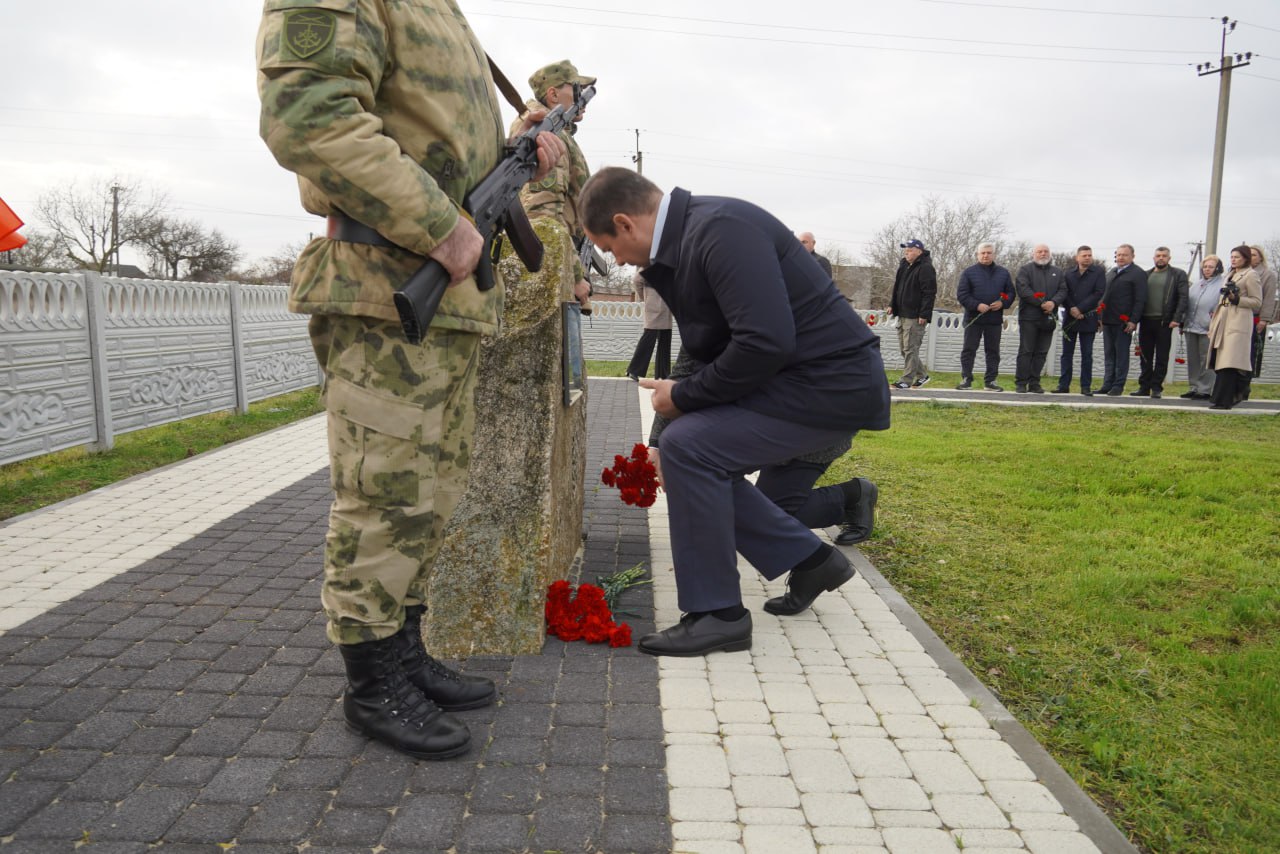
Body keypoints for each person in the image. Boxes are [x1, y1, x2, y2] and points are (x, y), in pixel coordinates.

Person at [257, 1, 565, 760]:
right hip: (383, 287)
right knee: (383, 491)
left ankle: (403, 651)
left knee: (433, 491)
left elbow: (437, 142)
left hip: (451, 301)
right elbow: (307, 117)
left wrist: (516, 145)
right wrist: (440, 225)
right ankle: (370, 684)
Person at [579, 167, 890, 657]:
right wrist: (661, 434)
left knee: (692, 447)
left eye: (610, 247)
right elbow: (704, 351)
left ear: (624, 223)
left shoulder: (721, 230)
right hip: (797, 382)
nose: (616, 260)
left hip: (828, 385)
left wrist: (680, 403)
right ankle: (810, 559)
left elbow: (764, 342)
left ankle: (718, 615)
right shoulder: (689, 240)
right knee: (685, 451)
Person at [648, 348, 878, 546]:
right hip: (760, 420)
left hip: (817, 417)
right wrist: (656, 444)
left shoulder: (779, 312)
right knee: (706, 468)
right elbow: (683, 375)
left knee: (769, 516)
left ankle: (853, 495)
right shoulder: (704, 315)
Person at [512, 60, 596, 312]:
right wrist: (576, 275)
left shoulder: (552, 130)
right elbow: (543, 214)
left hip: (554, 258)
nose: (581, 97)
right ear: (553, 94)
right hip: (554, 263)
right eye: (575, 89)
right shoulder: (548, 134)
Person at [1207, 245, 1262, 410]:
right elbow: (1223, 299)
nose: (1233, 260)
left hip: (1238, 322)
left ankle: (1228, 398)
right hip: (1223, 320)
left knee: (1230, 361)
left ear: (1245, 258)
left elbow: (1256, 302)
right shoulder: (1230, 275)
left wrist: (1237, 299)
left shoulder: (1251, 275)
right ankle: (1222, 398)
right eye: (1232, 257)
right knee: (1220, 359)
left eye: (1237, 257)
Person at [1130, 247, 1188, 399]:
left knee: (1162, 357)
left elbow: (1183, 297)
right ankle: (1144, 386)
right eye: (1158, 256)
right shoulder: (1146, 275)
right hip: (1146, 320)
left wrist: (1177, 318)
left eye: (1164, 256)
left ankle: (1156, 387)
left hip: (1165, 322)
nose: (1161, 258)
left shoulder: (1178, 274)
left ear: (1169, 258)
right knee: (1145, 356)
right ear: (1153, 258)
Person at [955, 243, 1013, 391]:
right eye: (983, 253)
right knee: (969, 350)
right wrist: (977, 305)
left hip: (994, 320)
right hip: (973, 319)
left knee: (993, 351)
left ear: (994, 254)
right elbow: (962, 294)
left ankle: (991, 381)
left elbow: (1011, 293)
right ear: (977, 255)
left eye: (988, 253)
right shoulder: (969, 272)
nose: (985, 255)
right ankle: (966, 379)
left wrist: (1002, 303)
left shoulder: (1003, 273)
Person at [1013, 244, 1066, 393]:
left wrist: (1053, 303)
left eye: (1046, 251)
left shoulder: (1058, 272)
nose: (1043, 254)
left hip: (1049, 318)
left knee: (1042, 351)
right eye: (1039, 251)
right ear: (1033, 254)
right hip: (1029, 317)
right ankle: (1021, 382)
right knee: (1026, 350)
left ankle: (1034, 382)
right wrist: (1041, 303)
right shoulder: (1025, 270)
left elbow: (1063, 290)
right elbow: (1023, 290)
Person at [1053, 245, 1105, 395]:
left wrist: (1081, 309)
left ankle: (1085, 386)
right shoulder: (1068, 274)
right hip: (1070, 319)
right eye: (1084, 255)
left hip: (1088, 318)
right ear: (1077, 257)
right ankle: (1063, 385)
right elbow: (1064, 293)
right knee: (1066, 354)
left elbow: (1098, 293)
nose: (1087, 257)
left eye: (1089, 255)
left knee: (1087, 354)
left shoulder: (1098, 273)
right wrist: (1072, 308)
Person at [1098, 244, 1147, 396]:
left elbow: (1140, 299)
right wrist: (1099, 317)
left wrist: (1133, 320)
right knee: (1109, 354)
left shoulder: (1138, 273)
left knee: (1121, 355)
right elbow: (1103, 296)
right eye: (1118, 255)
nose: (1120, 257)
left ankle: (1118, 385)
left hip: (1123, 322)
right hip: (1107, 320)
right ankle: (1107, 384)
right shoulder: (1111, 272)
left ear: (1132, 256)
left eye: (1124, 255)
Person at [888, 238, 937, 389]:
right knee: (905, 349)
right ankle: (922, 375)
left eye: (910, 250)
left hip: (915, 316)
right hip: (902, 313)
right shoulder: (904, 265)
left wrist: (924, 314)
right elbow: (897, 287)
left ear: (919, 251)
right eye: (905, 250)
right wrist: (892, 304)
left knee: (910, 349)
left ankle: (906, 380)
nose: (906, 252)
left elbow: (929, 293)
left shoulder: (925, 267)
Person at [1180, 255, 1223, 400]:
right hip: (1191, 326)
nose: (1207, 269)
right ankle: (1194, 386)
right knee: (1193, 359)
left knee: (1206, 359)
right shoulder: (1197, 284)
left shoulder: (1221, 284)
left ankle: (1205, 389)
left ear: (1217, 268)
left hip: (1208, 328)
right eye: (1205, 266)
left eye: (1211, 266)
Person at [626, 269, 673, 381]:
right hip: (653, 307)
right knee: (648, 338)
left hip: (666, 308)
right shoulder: (650, 262)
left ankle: (663, 374)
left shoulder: (671, 262)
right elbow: (637, 280)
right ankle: (634, 370)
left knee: (665, 341)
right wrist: (645, 298)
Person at [1250, 245, 1277, 377]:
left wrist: (1264, 319)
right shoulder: (1240, 272)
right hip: (1238, 318)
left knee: (1253, 352)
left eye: (1254, 255)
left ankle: (1245, 385)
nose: (1251, 257)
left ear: (1260, 258)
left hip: (1256, 317)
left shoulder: (1268, 275)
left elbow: (1269, 299)